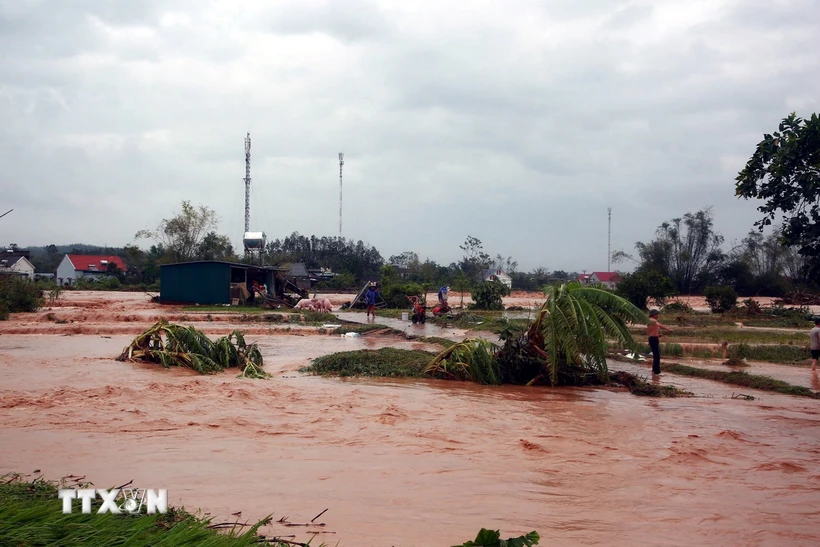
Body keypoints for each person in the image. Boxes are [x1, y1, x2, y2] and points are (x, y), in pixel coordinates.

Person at [647, 309, 673, 375]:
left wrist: (658, 335)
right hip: (653, 339)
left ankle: (654, 370)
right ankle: (656, 371)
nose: (658, 315)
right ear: (654, 315)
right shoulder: (653, 320)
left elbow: (651, 331)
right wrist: (668, 329)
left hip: (653, 338)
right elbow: (660, 325)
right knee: (657, 355)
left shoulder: (649, 321)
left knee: (656, 355)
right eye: (657, 314)